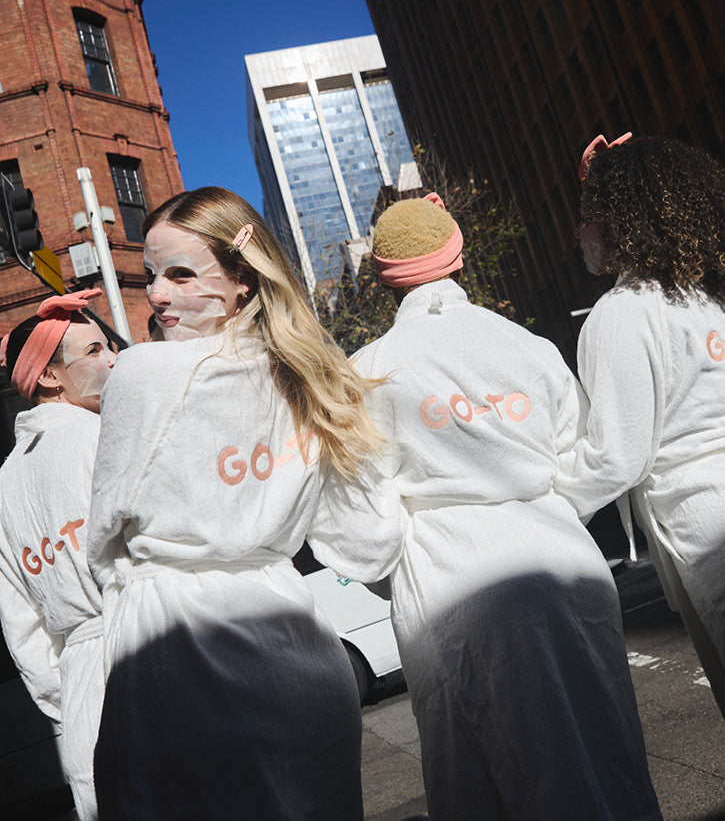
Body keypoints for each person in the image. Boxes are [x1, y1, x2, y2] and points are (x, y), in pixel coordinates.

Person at [87, 186, 405, 821]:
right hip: (299, 652)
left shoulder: (144, 375)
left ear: (240, 281)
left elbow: (103, 538)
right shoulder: (312, 379)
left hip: (177, 650)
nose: (157, 295)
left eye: (181, 274)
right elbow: (366, 544)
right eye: (151, 275)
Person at [352, 192, 661, 821]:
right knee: (606, 745)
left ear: (385, 280)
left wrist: (392, 571)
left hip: (447, 581)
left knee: (479, 776)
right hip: (563, 563)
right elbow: (588, 456)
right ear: (459, 260)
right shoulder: (528, 346)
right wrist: (548, 509)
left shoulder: (368, 372)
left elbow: (362, 519)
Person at [558, 133, 725, 717]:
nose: (581, 233)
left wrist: (544, 496)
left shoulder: (622, 313)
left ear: (620, 219)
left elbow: (616, 455)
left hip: (703, 520)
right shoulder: (710, 296)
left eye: (587, 216)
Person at [0, 289, 116, 821]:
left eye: (108, 346)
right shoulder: (105, 436)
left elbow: (19, 619)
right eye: (93, 352)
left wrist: (66, 697)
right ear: (49, 376)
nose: (112, 359)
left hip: (81, 691)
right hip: (155, 650)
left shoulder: (6, 482)